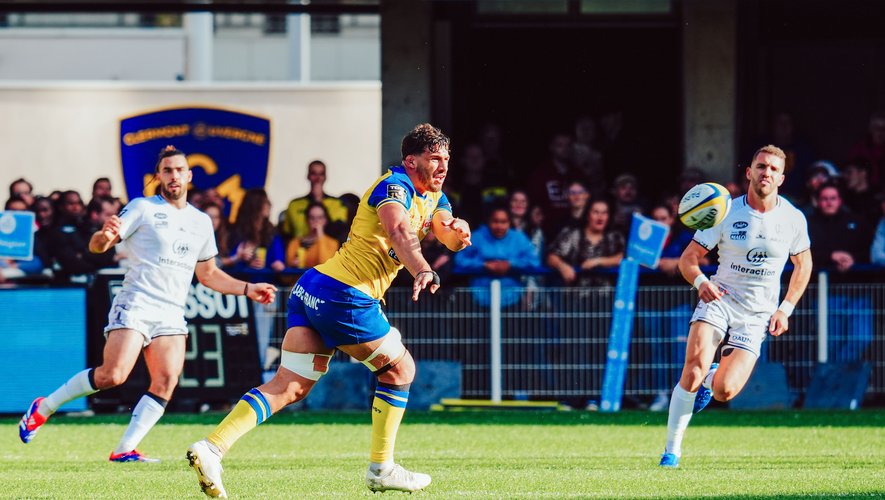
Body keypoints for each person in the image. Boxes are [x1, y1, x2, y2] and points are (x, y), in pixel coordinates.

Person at [186, 123, 472, 497]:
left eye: (446, 158)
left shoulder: (435, 196)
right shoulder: (394, 187)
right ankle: (382, 469)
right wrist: (421, 268)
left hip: (313, 289)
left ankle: (212, 448)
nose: (443, 166)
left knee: (291, 386)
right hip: (345, 295)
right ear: (410, 161)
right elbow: (400, 232)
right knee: (400, 369)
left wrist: (459, 233)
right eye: (434, 158)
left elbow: (447, 232)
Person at [18, 146, 277, 463]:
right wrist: (104, 235)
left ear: (189, 175)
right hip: (137, 302)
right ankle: (44, 407)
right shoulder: (142, 207)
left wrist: (248, 288)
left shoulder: (200, 221)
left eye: (179, 170)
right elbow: (98, 246)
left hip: (171, 312)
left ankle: (124, 449)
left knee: (166, 382)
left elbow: (208, 274)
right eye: (167, 171)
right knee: (112, 376)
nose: (174, 176)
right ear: (159, 176)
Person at [659, 145, 812, 468]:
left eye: (773, 169)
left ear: (781, 178)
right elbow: (688, 259)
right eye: (761, 166)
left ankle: (713, 378)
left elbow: (804, 265)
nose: (766, 172)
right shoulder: (724, 211)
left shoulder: (793, 218)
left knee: (725, 391)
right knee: (693, 368)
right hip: (719, 299)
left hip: (757, 314)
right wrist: (702, 282)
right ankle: (671, 452)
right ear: (749, 172)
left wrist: (785, 309)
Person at [546, 198, 625, 287]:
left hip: (607, 294)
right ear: (587, 214)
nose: (600, 217)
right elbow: (551, 257)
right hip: (577, 293)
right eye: (596, 212)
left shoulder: (614, 237)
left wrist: (598, 261)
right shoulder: (573, 235)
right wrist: (562, 266)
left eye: (604, 213)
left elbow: (624, 258)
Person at [280, 160, 349, 240]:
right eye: (314, 173)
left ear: (325, 177)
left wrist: (318, 200)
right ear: (308, 176)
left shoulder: (337, 204)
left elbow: (339, 231)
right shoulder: (294, 204)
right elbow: (286, 235)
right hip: (300, 246)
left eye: (321, 174)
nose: (317, 178)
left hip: (326, 247)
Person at [285, 201, 340, 269]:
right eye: (312, 218)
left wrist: (320, 236)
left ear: (325, 220)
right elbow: (288, 265)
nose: (316, 221)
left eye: (320, 217)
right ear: (307, 220)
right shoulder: (295, 242)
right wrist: (293, 264)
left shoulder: (333, 243)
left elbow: (325, 264)